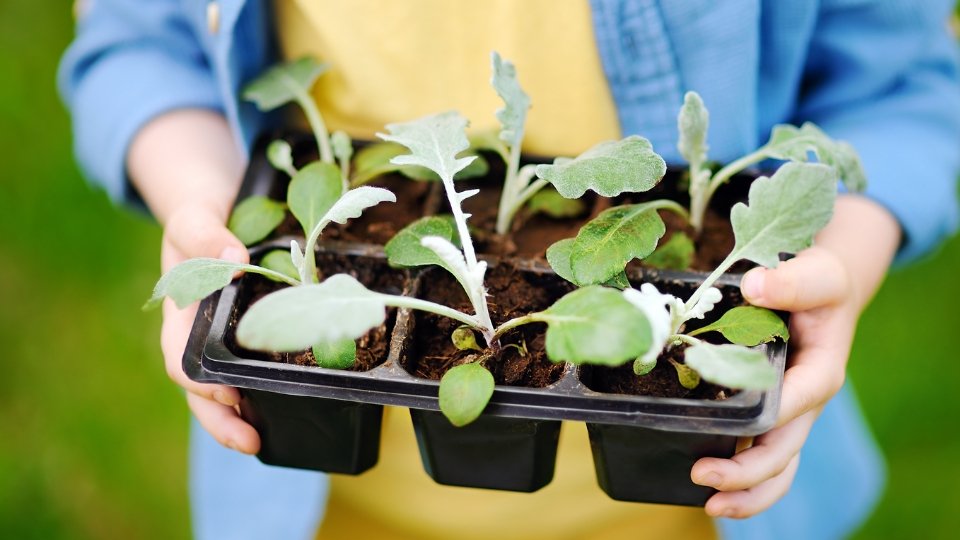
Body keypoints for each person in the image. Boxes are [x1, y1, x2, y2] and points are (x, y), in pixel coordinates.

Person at [59, 1, 960, 538]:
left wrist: (841, 258)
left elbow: (904, 93)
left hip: (682, 506)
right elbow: (138, 40)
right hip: (311, 501)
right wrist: (198, 203)